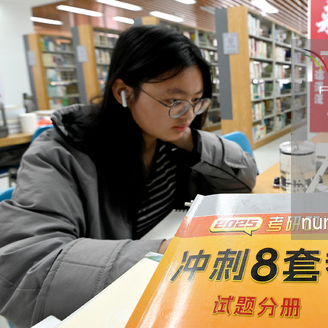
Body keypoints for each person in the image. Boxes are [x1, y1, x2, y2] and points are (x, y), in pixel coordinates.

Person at [0, 25, 257, 327]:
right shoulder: (62, 152)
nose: (188, 115)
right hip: (113, 305)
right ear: (124, 92)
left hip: (165, 295)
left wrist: (190, 140)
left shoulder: (170, 138)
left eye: (197, 100)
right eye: (174, 101)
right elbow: (23, 267)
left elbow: (246, 176)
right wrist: (164, 253)